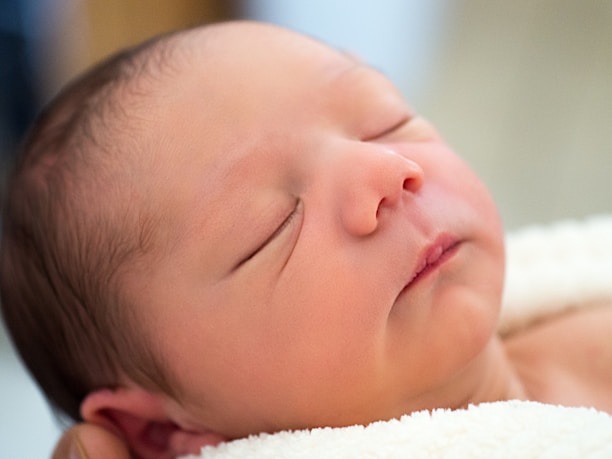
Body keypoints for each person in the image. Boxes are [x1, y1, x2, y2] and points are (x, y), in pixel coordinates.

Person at [2, 21, 611, 459]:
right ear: (163, 432)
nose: (388, 172)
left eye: (384, 121)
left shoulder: (583, 310)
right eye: (273, 229)